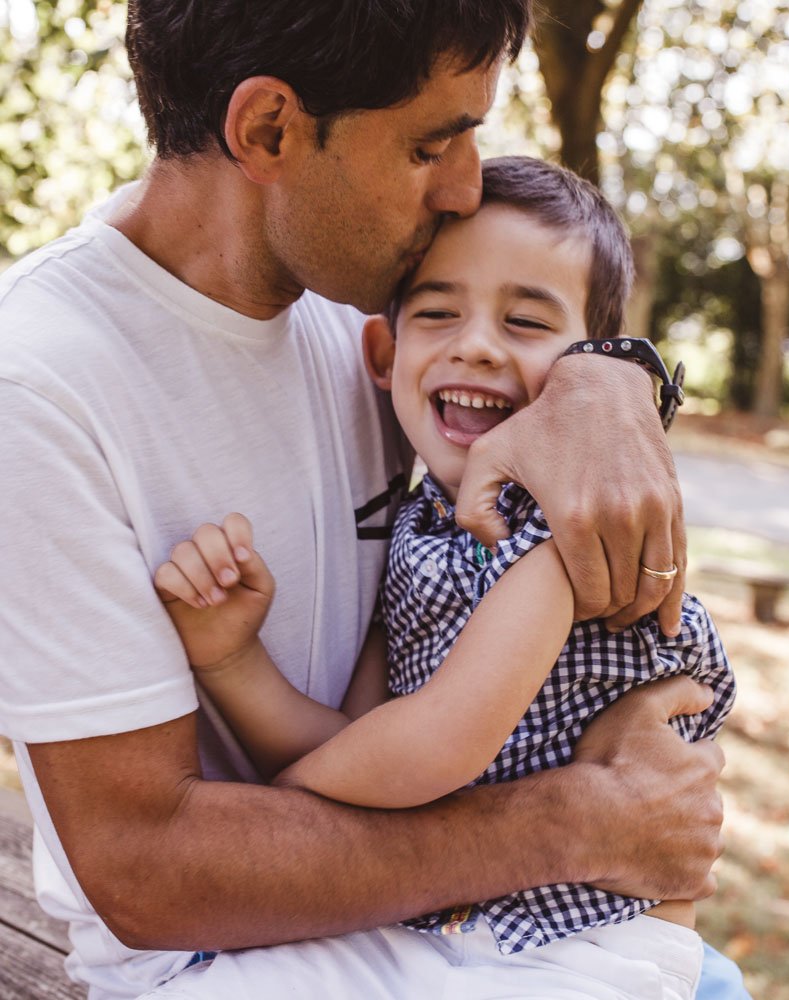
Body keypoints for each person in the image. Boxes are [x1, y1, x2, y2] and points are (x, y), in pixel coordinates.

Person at [0, 2, 740, 998]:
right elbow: (146, 868)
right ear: (268, 129)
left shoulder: (355, 321)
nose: (464, 185)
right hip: (226, 962)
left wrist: (609, 377)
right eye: (431, 144)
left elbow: (525, 337)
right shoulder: (41, 384)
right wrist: (580, 821)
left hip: (479, 940)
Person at [145, 157, 738, 1000]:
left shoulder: (563, 531)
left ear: (589, 371)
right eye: (438, 312)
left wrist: (281, 807)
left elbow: (434, 746)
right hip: (436, 918)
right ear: (384, 354)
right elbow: (350, 737)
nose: (477, 344)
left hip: (585, 943)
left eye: (528, 322)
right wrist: (231, 658)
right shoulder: (420, 525)